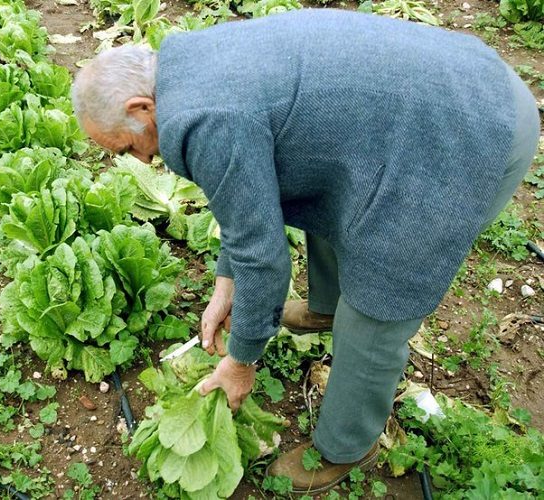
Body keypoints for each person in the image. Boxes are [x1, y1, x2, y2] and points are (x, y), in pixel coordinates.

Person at [71, 8, 540, 494]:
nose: (141, 159)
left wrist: (239, 363)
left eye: (126, 148)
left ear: (142, 108)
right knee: (336, 202)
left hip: (469, 132)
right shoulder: (187, 66)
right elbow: (246, 198)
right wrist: (224, 286)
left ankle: (346, 445)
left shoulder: (203, 117)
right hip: (436, 97)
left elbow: (262, 255)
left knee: (379, 300)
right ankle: (325, 310)